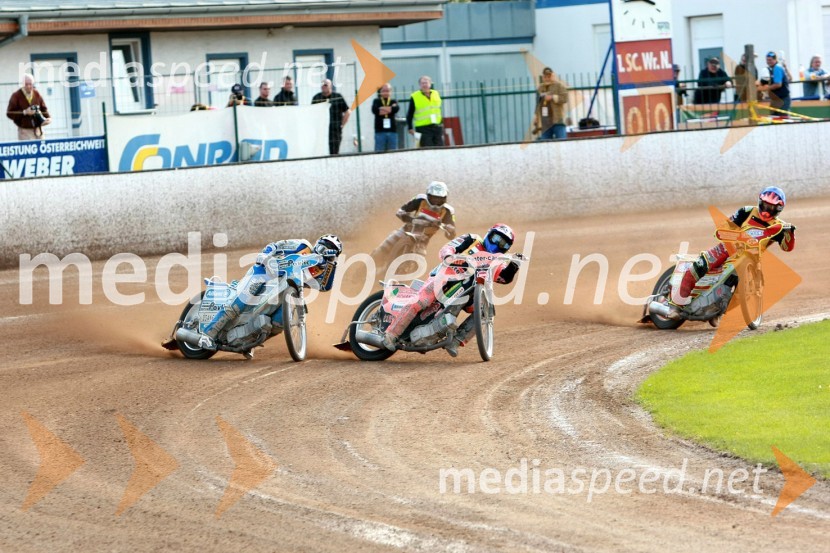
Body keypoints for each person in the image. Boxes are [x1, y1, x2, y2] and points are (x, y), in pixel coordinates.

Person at [380, 223, 522, 357]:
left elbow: (503, 278)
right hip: (445, 277)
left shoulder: (499, 260)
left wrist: (514, 265)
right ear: (489, 234)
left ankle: (456, 341)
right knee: (422, 300)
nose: (497, 244)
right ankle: (391, 334)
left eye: (503, 244)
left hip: (469, 292)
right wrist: (450, 256)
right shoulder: (472, 240)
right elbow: (447, 248)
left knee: (486, 311)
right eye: (496, 238)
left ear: (507, 248)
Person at [198, 235, 343, 352]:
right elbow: (277, 245)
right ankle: (207, 334)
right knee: (240, 302)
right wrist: (265, 255)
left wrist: (332, 264)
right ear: (318, 243)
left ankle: (247, 342)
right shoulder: (303, 246)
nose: (327, 249)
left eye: (333, 250)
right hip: (264, 273)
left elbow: (324, 286)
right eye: (325, 245)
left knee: (279, 323)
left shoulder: (321, 269)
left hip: (285, 290)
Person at [671, 187, 796, 313]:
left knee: (751, 286)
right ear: (760, 202)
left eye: (771, 207)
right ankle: (675, 306)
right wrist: (738, 236)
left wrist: (790, 234)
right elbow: (723, 228)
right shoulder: (746, 211)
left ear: (779, 208)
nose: (766, 210)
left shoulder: (779, 226)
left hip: (751, 258)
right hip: (727, 248)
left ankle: (718, 309)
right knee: (698, 267)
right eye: (764, 205)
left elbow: (787, 248)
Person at [371, 181, 456, 266]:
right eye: (433, 197)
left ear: (444, 198)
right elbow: (400, 211)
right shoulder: (420, 199)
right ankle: (367, 265)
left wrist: (450, 229)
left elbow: (451, 234)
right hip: (406, 230)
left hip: (423, 239)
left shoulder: (448, 211)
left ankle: (406, 271)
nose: (436, 201)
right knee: (384, 247)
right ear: (428, 195)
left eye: (439, 198)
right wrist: (411, 219)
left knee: (419, 261)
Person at [312, 79, 351, 155]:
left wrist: (342, 125)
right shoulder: (316, 98)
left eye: (325, 85)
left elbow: (348, 111)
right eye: (322, 85)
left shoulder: (337, 97)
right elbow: (312, 113)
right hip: (321, 131)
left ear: (331, 86)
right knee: (320, 153)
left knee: (334, 153)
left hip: (335, 131)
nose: (323, 86)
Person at [6, 74, 51, 140]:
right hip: (25, 131)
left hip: (38, 129)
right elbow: (9, 113)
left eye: (30, 84)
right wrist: (25, 112)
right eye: (26, 84)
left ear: (33, 84)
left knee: (42, 146)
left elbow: (44, 108)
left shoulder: (36, 94)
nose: (28, 86)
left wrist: (48, 118)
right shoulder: (16, 96)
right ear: (22, 84)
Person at [406, 76, 444, 148]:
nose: (424, 85)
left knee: (440, 148)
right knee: (427, 149)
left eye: (426, 83)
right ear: (420, 85)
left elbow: (438, 110)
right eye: (422, 83)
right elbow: (410, 113)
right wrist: (410, 127)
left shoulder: (436, 93)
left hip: (437, 126)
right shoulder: (415, 96)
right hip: (423, 128)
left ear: (430, 84)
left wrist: (441, 123)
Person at [534, 67, 568, 140]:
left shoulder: (559, 86)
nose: (547, 78)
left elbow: (565, 98)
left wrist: (553, 97)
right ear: (543, 77)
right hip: (545, 122)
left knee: (562, 142)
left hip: (558, 120)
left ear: (553, 76)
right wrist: (536, 116)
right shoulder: (540, 88)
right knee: (545, 143)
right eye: (545, 77)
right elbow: (538, 103)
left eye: (549, 76)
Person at [372, 83, 400, 152]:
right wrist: (390, 109)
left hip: (392, 130)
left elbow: (396, 109)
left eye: (387, 91)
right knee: (379, 151)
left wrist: (382, 108)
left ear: (391, 92)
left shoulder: (394, 101)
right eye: (383, 91)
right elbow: (375, 111)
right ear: (380, 92)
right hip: (380, 131)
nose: (385, 93)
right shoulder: (376, 101)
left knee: (393, 151)